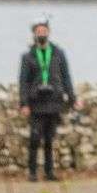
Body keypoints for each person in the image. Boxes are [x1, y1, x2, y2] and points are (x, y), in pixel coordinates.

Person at [17, 21, 77, 182]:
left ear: (49, 32)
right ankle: (32, 171)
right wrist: (24, 103)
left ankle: (50, 171)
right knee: (35, 138)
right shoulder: (27, 56)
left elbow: (66, 77)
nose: (42, 33)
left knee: (50, 139)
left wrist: (72, 98)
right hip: (36, 101)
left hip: (54, 100)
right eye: (39, 31)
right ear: (34, 34)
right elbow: (23, 82)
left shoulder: (58, 53)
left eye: (44, 30)